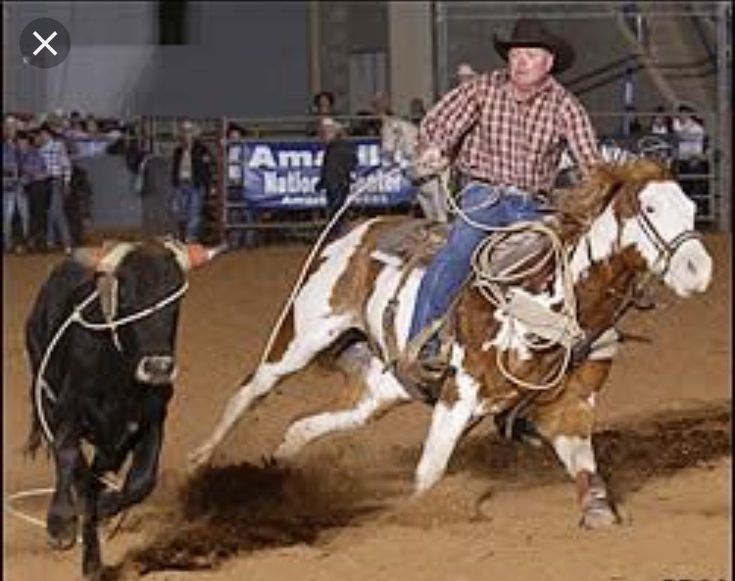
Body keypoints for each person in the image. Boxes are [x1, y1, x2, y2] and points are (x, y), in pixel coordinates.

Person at [398, 17, 601, 383]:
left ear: (548, 63)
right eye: (516, 54)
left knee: (563, 268)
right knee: (457, 255)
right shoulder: (483, 89)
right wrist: (435, 149)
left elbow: (589, 160)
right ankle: (423, 344)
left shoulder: (565, 106)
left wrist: (599, 192)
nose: (521, 61)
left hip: (533, 205)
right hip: (484, 195)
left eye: (531, 54)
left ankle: (554, 349)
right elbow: (440, 123)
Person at [170, 120, 214, 242]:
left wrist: (207, 184)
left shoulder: (202, 149)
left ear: (194, 134)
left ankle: (190, 238)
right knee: (180, 212)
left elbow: (208, 167)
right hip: (181, 183)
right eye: (184, 132)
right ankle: (181, 237)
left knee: (194, 212)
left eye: (189, 131)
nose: (186, 134)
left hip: (196, 183)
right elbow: (175, 168)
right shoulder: (178, 150)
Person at [315, 117, 357, 237]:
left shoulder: (339, 147)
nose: (324, 135)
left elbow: (348, 163)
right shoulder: (336, 147)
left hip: (338, 183)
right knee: (336, 211)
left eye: (327, 131)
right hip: (335, 183)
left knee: (337, 210)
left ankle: (337, 234)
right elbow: (328, 166)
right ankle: (337, 233)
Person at [36, 122, 73, 253]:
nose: (40, 137)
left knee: (56, 211)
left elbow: (66, 164)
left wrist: (67, 182)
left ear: (46, 134)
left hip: (57, 180)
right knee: (51, 212)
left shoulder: (58, 146)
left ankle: (66, 244)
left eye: (41, 134)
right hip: (46, 182)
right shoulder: (40, 149)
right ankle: (50, 242)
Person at [17, 129, 49, 252]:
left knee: (38, 215)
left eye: (21, 142)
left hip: (37, 187)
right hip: (28, 187)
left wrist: (26, 176)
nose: (20, 144)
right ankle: (33, 243)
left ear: (26, 142)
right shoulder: (20, 154)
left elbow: (34, 172)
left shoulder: (33, 153)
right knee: (31, 216)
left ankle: (40, 244)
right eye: (18, 142)